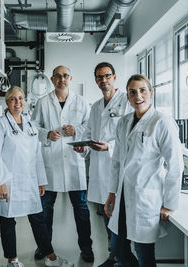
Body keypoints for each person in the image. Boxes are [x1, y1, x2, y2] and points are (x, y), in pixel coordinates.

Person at [0, 86, 73, 267]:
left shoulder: (30, 125)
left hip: (29, 180)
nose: (17, 103)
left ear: (24, 101)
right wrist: (1, 182)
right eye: (12, 99)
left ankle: (51, 257)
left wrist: (41, 180)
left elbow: (37, 155)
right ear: (7, 102)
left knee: (38, 218)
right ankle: (12, 260)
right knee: (8, 221)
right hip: (9, 181)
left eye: (20, 98)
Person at [104, 74, 184, 267]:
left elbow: (175, 165)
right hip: (123, 196)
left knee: (144, 254)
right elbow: (116, 161)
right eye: (132, 92)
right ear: (128, 97)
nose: (137, 95)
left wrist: (170, 204)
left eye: (142, 90)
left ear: (151, 93)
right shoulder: (123, 122)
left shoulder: (162, 122)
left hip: (145, 197)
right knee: (118, 249)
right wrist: (112, 193)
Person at [31, 65, 94, 262]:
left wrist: (76, 130)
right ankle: (44, 247)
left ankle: (86, 247)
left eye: (65, 75)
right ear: (52, 79)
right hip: (51, 164)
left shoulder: (81, 102)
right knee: (45, 210)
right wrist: (47, 134)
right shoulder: (43, 102)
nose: (62, 79)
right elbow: (34, 127)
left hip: (74, 163)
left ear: (70, 78)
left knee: (82, 210)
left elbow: (89, 127)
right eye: (57, 76)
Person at [73, 62, 133, 267]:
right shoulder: (96, 106)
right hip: (99, 170)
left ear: (114, 77)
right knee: (107, 215)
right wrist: (84, 146)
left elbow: (130, 136)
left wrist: (110, 147)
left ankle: (121, 257)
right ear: (95, 80)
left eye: (107, 76)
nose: (103, 80)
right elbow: (89, 133)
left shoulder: (127, 101)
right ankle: (113, 254)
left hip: (119, 167)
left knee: (119, 217)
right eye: (99, 77)